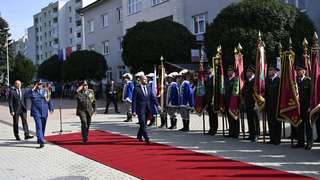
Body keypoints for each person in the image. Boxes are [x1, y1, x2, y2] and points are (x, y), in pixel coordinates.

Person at [132, 75, 161, 145]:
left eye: (146, 79)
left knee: (144, 124)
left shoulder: (148, 88)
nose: (146, 81)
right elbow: (134, 101)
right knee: (143, 124)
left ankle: (139, 135)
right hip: (140, 109)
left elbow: (153, 97)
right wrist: (134, 111)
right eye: (144, 79)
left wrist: (157, 105)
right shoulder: (136, 89)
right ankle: (147, 138)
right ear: (141, 80)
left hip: (147, 109)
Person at [24, 79, 54, 148]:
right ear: (36, 85)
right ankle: (41, 141)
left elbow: (49, 100)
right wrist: (32, 89)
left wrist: (51, 108)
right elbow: (26, 96)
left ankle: (39, 137)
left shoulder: (45, 91)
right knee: (39, 126)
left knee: (43, 126)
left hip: (44, 111)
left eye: (41, 84)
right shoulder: (32, 92)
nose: (41, 85)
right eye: (39, 84)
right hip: (36, 111)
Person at [71, 80, 97, 145]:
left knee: (88, 124)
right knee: (84, 123)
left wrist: (95, 109)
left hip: (89, 111)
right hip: (81, 111)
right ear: (81, 86)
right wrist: (76, 91)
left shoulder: (90, 92)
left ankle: (86, 135)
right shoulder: (79, 93)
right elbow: (72, 98)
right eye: (84, 85)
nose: (86, 87)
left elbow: (94, 101)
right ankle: (84, 138)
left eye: (86, 85)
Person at [293, 64, 313, 150]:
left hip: (306, 106)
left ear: (304, 72)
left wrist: (310, 106)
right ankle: (300, 142)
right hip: (298, 107)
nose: (297, 72)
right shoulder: (295, 82)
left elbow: (311, 95)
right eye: (297, 70)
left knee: (308, 125)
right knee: (299, 125)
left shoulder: (309, 81)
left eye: (299, 70)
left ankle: (309, 143)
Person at [265, 64, 281, 145]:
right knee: (270, 122)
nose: (268, 71)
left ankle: (277, 139)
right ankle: (272, 138)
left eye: (270, 70)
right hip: (269, 104)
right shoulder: (268, 80)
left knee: (277, 122)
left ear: (275, 72)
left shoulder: (279, 80)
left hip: (276, 105)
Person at [244, 65, 260, 142]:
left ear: (252, 72)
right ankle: (251, 134)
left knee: (255, 119)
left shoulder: (256, 81)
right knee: (250, 119)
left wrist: (257, 103)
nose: (246, 73)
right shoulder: (247, 81)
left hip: (254, 103)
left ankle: (256, 134)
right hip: (248, 103)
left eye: (248, 71)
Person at [204, 64, 219, 135]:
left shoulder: (215, 78)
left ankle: (214, 129)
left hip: (213, 99)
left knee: (214, 115)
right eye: (207, 69)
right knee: (210, 115)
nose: (208, 70)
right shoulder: (207, 78)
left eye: (209, 69)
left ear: (213, 70)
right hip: (208, 99)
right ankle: (211, 128)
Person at [225, 65, 238, 138]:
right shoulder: (227, 80)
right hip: (227, 101)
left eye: (229, 70)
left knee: (234, 118)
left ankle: (236, 132)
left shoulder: (235, 80)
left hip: (233, 101)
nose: (228, 72)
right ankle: (231, 132)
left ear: (233, 72)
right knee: (229, 118)